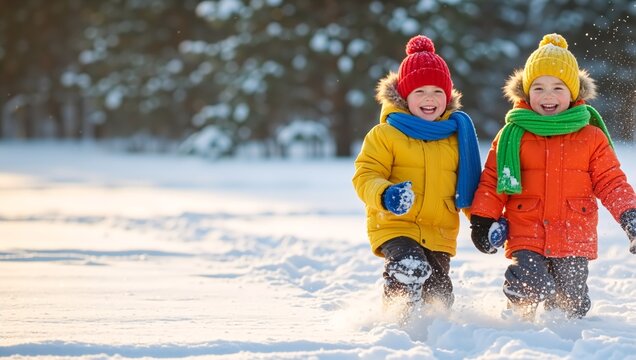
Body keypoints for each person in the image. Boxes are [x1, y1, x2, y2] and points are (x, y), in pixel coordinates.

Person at [469, 33, 636, 321]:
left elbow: (611, 181)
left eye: (558, 87)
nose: (548, 96)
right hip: (526, 230)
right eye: (539, 87)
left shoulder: (590, 137)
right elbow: (493, 180)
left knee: (570, 303)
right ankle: (519, 322)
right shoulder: (513, 135)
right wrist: (482, 220)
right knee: (527, 283)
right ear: (525, 92)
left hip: (574, 234)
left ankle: (563, 337)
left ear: (573, 92)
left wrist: (629, 215)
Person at [352, 35, 481, 317]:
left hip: (440, 232)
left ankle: (433, 333)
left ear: (447, 96)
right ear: (404, 95)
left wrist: (483, 221)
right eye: (420, 91)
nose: (429, 99)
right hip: (396, 225)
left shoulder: (455, 137)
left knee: (438, 294)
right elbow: (365, 175)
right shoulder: (386, 134)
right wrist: (386, 194)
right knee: (409, 266)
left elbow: (471, 187)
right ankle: (396, 321)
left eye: (437, 91)